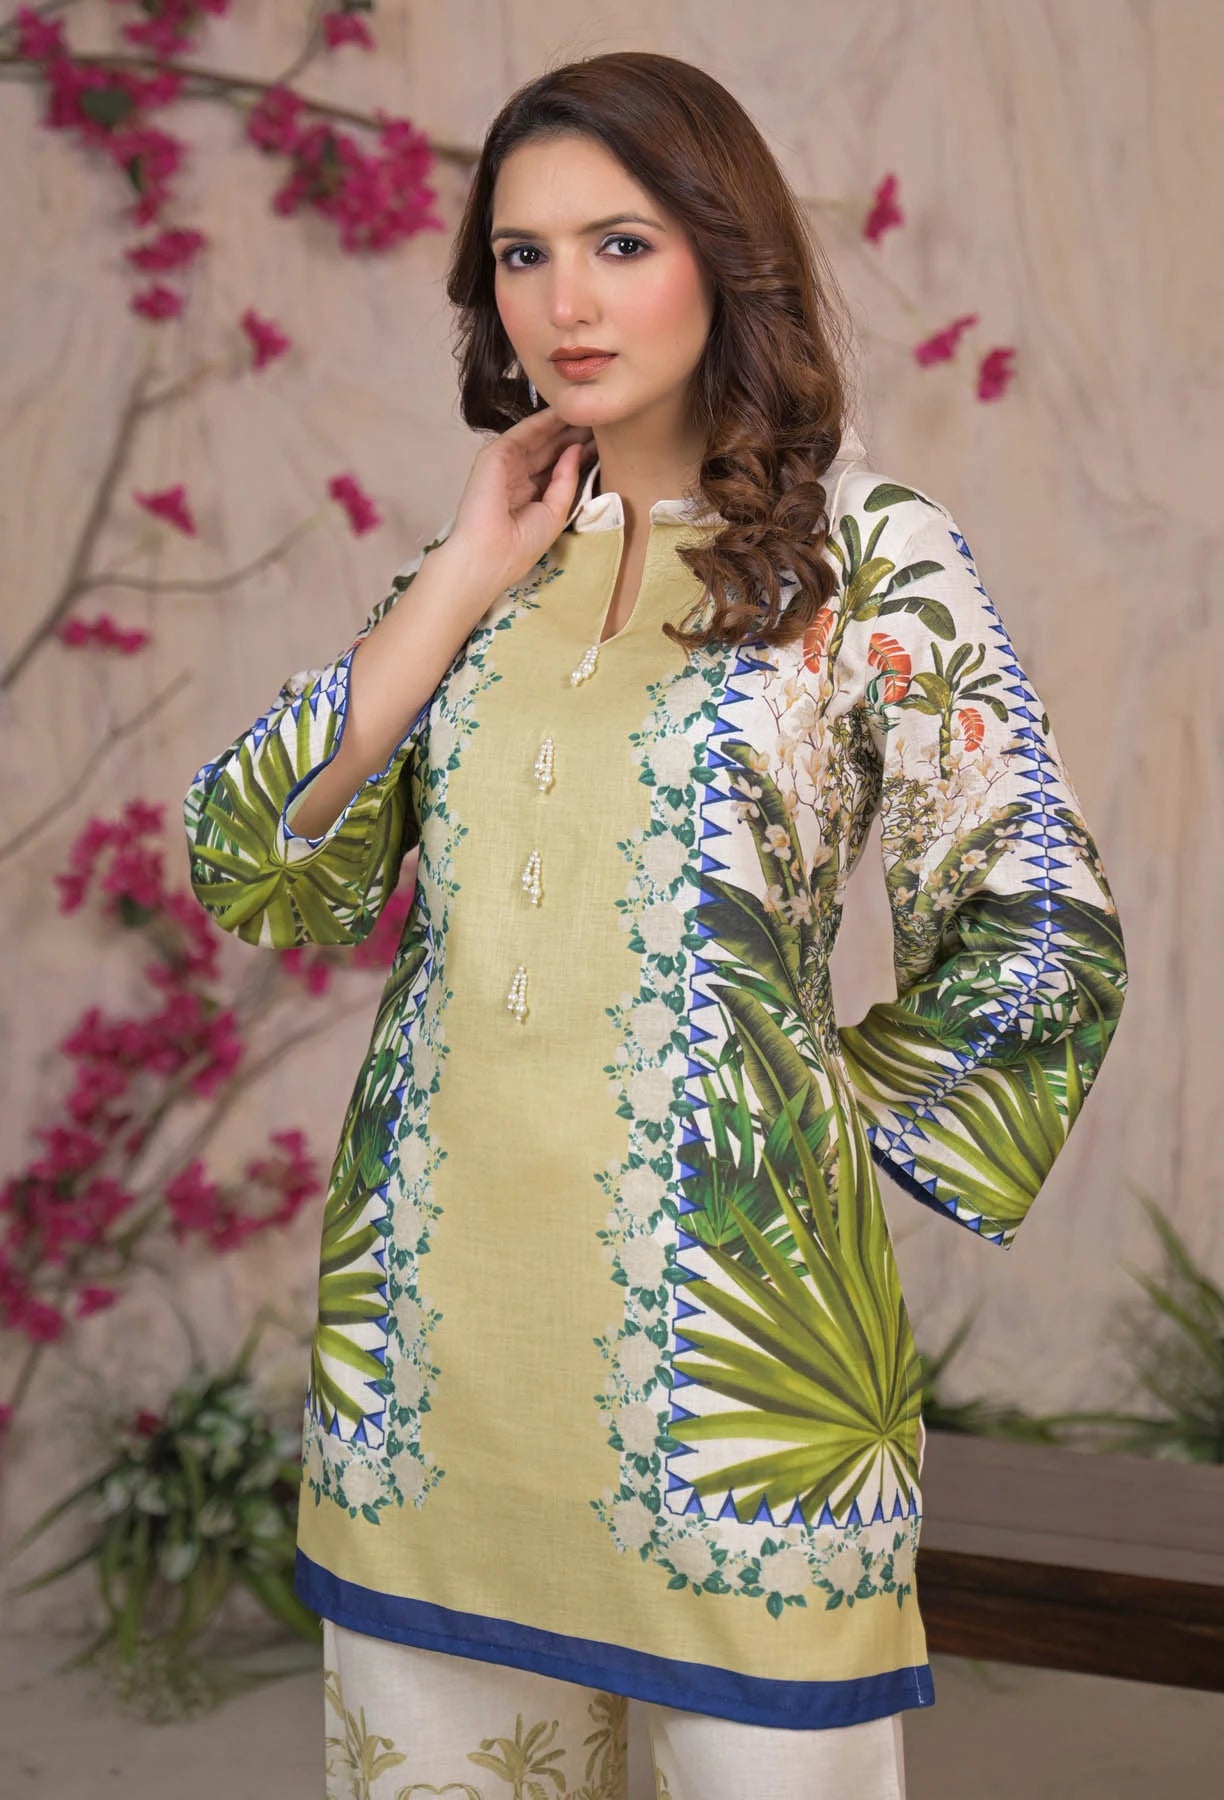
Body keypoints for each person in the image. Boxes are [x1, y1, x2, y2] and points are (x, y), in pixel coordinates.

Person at [183, 50, 1127, 1800]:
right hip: (426, 1389)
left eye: (618, 242)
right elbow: (251, 858)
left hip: (735, 1411)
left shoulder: (875, 559)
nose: (564, 300)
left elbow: (1039, 930)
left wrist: (794, 1139)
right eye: (522, 256)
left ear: (725, 249)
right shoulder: (480, 568)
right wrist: (463, 577)